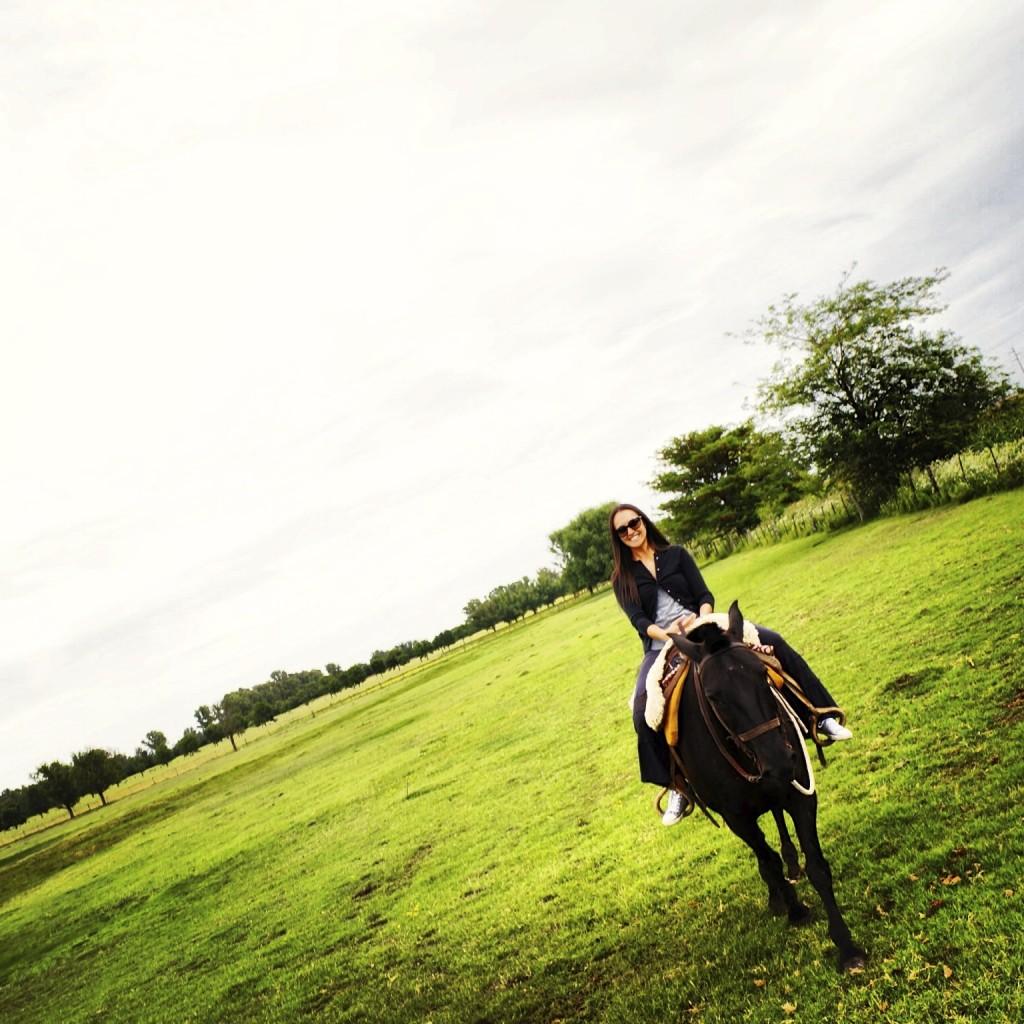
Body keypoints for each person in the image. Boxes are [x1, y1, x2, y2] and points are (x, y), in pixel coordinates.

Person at [609, 502, 852, 827]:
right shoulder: (621, 578)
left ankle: (818, 716)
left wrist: (703, 618)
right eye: (621, 530)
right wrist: (666, 632)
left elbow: (703, 592)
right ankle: (677, 786)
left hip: (705, 624)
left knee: (774, 640)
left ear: (644, 521)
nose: (630, 531)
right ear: (617, 538)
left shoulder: (676, 554)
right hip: (660, 643)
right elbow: (638, 620)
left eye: (633, 523)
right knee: (642, 711)